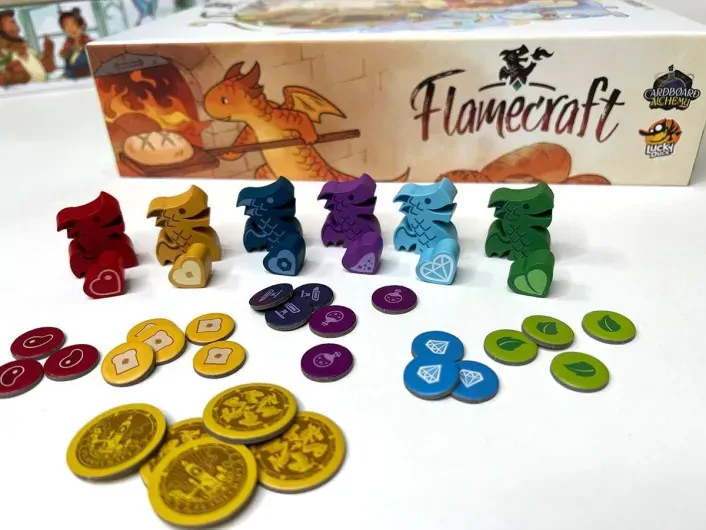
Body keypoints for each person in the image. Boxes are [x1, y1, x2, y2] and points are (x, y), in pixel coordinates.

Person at [0, 9, 55, 86]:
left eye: (15, 22)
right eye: (12, 22)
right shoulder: (3, 53)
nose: (17, 27)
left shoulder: (28, 51)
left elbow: (49, 68)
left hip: (42, 90)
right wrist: (14, 75)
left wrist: (48, 50)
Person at [59, 8, 92, 79]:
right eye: (66, 26)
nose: (70, 29)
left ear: (81, 25)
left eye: (73, 24)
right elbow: (63, 55)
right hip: (72, 78)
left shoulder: (89, 42)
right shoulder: (68, 43)